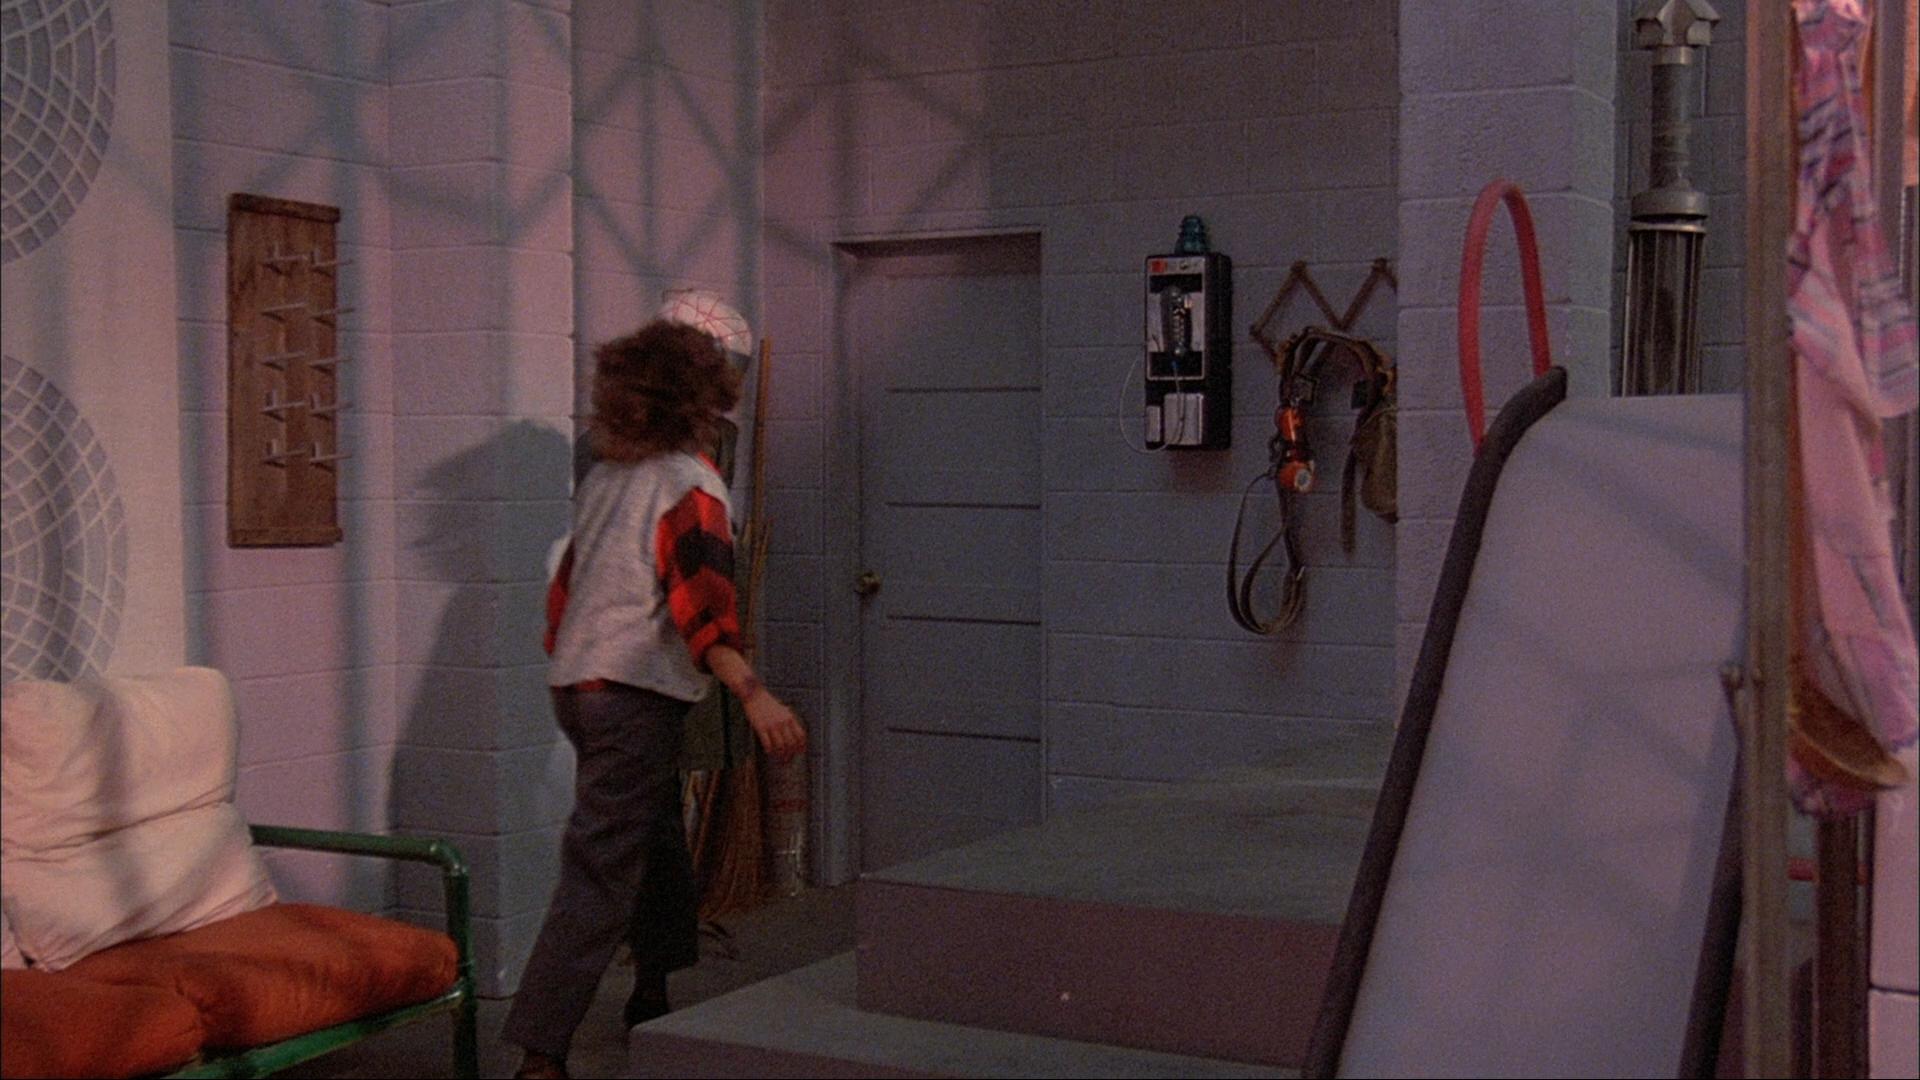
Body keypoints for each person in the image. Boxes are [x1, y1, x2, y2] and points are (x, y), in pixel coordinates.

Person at [504, 319, 806, 1080]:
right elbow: (704, 608)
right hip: (631, 694)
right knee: (600, 869)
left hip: (580, 684)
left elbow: (565, 590)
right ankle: (540, 1053)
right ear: (703, 397)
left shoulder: (608, 478)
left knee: (658, 831)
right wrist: (755, 695)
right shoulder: (689, 486)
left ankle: (655, 985)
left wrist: (585, 658)